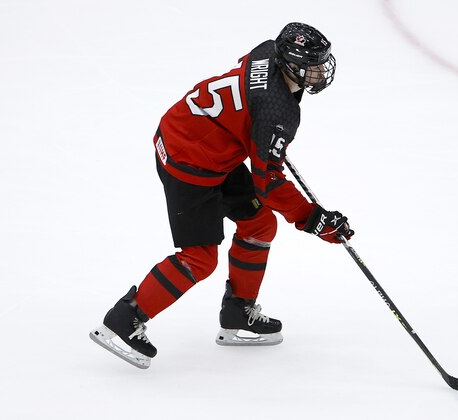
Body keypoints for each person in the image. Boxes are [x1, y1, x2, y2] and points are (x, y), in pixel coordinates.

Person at [90, 22, 354, 369]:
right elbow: (268, 183)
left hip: (203, 141)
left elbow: (249, 96)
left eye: (323, 62)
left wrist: (265, 143)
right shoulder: (278, 113)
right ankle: (123, 320)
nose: (322, 71)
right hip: (188, 161)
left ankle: (237, 313)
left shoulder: (266, 51)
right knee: (200, 259)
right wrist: (312, 218)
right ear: (290, 64)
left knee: (259, 225)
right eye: (313, 64)